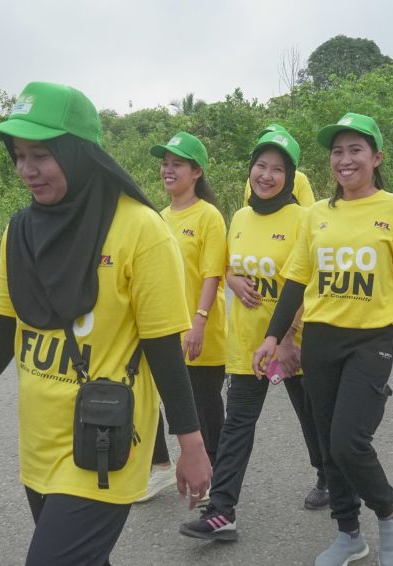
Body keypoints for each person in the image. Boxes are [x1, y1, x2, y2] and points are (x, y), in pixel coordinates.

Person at [0, 82, 212, 565]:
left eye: (41, 155)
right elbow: (2, 330)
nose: (27, 170)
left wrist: (189, 444)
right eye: (19, 155)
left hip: (104, 439)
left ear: (78, 153)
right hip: (40, 443)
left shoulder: (140, 230)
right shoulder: (19, 230)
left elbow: (162, 349)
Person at [254, 113, 393, 566]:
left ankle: (389, 513)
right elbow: (295, 281)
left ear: (376, 158)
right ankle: (349, 533)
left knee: (348, 441)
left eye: (356, 149)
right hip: (320, 338)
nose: (345, 159)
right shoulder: (316, 215)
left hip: (370, 339)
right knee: (325, 439)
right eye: (337, 151)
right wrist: (274, 336)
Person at [179, 129, 328, 542]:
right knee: (237, 425)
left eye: (277, 169)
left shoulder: (304, 219)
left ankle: (327, 475)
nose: (266, 175)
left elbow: (309, 280)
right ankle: (222, 510)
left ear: (291, 176)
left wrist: (289, 336)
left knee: (311, 415)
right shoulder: (240, 217)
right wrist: (233, 279)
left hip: (290, 342)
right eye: (260, 166)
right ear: (250, 172)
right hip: (247, 342)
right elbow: (227, 264)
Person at [138, 132, 226, 502]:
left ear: (196, 172)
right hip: (164, 330)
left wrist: (199, 322)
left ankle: (218, 477)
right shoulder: (157, 219)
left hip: (200, 329)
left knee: (203, 407)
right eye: (165, 163)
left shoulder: (208, 216)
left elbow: (212, 274)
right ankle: (159, 468)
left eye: (177, 164)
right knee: (152, 401)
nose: (168, 170)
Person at [242, 123, 315, 207]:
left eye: (277, 169)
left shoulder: (300, 178)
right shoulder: (252, 179)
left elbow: (309, 210)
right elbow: (247, 206)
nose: (266, 177)